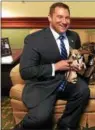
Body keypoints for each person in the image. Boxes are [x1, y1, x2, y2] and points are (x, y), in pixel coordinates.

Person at [13, 2, 90, 130]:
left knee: (83, 90)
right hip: (43, 85)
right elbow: (26, 71)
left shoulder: (74, 36)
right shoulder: (33, 39)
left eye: (67, 17)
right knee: (40, 119)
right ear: (49, 17)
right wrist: (55, 67)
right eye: (60, 17)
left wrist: (79, 65)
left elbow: (75, 57)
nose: (64, 21)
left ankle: (65, 125)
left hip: (66, 81)